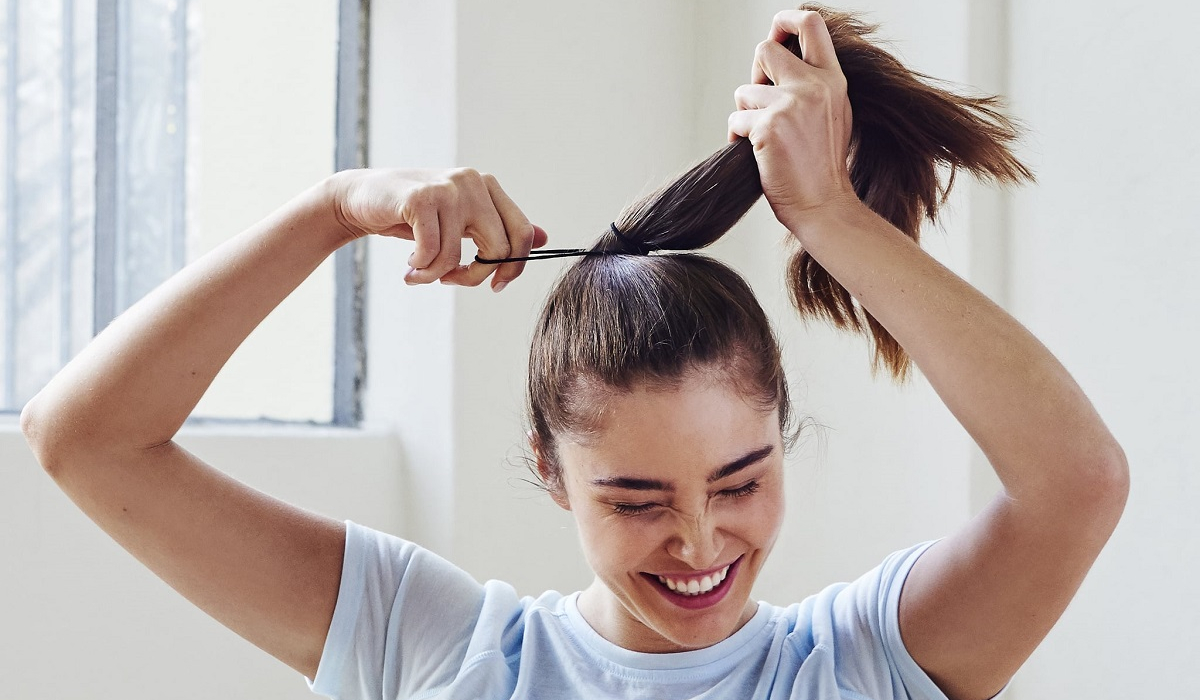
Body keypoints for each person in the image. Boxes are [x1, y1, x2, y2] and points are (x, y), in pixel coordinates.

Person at [20, 7, 1127, 700]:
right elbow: (85, 438)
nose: (699, 537)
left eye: (739, 479)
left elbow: (1077, 484)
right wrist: (336, 208)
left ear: (782, 440)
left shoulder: (858, 665)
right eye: (637, 497)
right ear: (551, 471)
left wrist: (833, 220)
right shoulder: (438, 648)